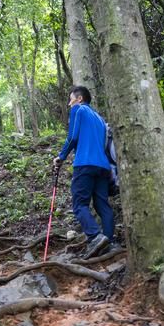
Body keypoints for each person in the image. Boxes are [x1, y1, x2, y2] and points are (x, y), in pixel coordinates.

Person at [53, 86, 114, 259]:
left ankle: (96, 237)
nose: (69, 102)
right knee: (102, 205)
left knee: (79, 205)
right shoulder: (100, 118)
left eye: (71, 99)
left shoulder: (78, 110)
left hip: (85, 164)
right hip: (103, 167)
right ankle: (108, 241)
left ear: (79, 99)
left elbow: (73, 137)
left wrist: (61, 157)